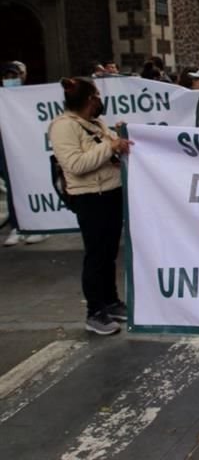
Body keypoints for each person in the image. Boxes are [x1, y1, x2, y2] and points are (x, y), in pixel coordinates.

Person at [48, 77, 133, 334]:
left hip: (109, 192)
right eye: (96, 96)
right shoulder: (63, 127)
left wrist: (118, 141)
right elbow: (75, 165)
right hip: (89, 197)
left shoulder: (96, 124)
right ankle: (94, 311)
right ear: (89, 99)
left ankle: (110, 301)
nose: (100, 100)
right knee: (96, 254)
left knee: (108, 253)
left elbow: (107, 152)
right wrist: (110, 146)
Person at [1, 62, 48, 247]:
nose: (11, 79)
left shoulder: (32, 95)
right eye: (8, 76)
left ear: (24, 75)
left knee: (35, 183)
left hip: (29, 147)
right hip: (8, 147)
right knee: (13, 186)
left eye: (15, 75)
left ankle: (40, 226)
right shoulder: (2, 97)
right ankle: (17, 226)